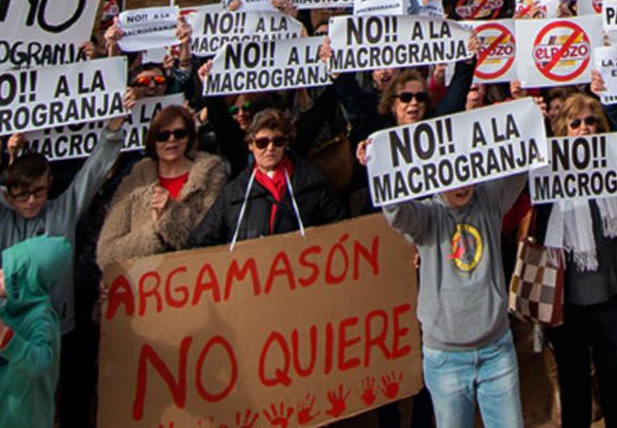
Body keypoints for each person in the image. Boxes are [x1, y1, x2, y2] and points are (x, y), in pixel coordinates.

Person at [0, 87, 131, 336]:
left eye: (39, 191)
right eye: (22, 195)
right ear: (7, 194)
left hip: (50, 328)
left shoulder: (62, 211)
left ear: (49, 185)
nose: (32, 200)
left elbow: (92, 174)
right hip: (1, 326)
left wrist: (113, 129)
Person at [381, 170, 531, 428]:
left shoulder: (490, 200)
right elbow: (396, 211)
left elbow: (519, 168)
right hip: (446, 359)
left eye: (466, 173)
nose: (462, 185)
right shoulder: (427, 216)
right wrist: (380, 163)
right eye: (452, 177)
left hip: (496, 351)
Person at [532, 94, 617, 428]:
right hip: (567, 302)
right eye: (575, 123)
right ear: (563, 129)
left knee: (614, 378)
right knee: (573, 381)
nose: (583, 128)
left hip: (612, 294)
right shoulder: (546, 172)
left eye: (590, 121)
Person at [94, 102, 229, 268]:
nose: (171, 140)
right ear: (153, 140)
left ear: (189, 137)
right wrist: (155, 234)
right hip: (146, 283)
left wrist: (170, 213)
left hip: (195, 279)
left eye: (179, 134)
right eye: (163, 136)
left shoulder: (210, 173)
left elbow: (209, 237)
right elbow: (106, 254)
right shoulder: (136, 179)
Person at [188, 106, 347, 245]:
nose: (270, 148)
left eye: (278, 142)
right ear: (250, 145)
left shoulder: (312, 183)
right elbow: (201, 242)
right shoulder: (233, 194)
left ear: (286, 143)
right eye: (262, 143)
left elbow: (343, 231)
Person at [0, 236, 72, 428]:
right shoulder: (2, 311)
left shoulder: (42, 319)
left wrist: (3, 335)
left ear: (25, 278)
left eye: (8, 270)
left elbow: (41, 363)